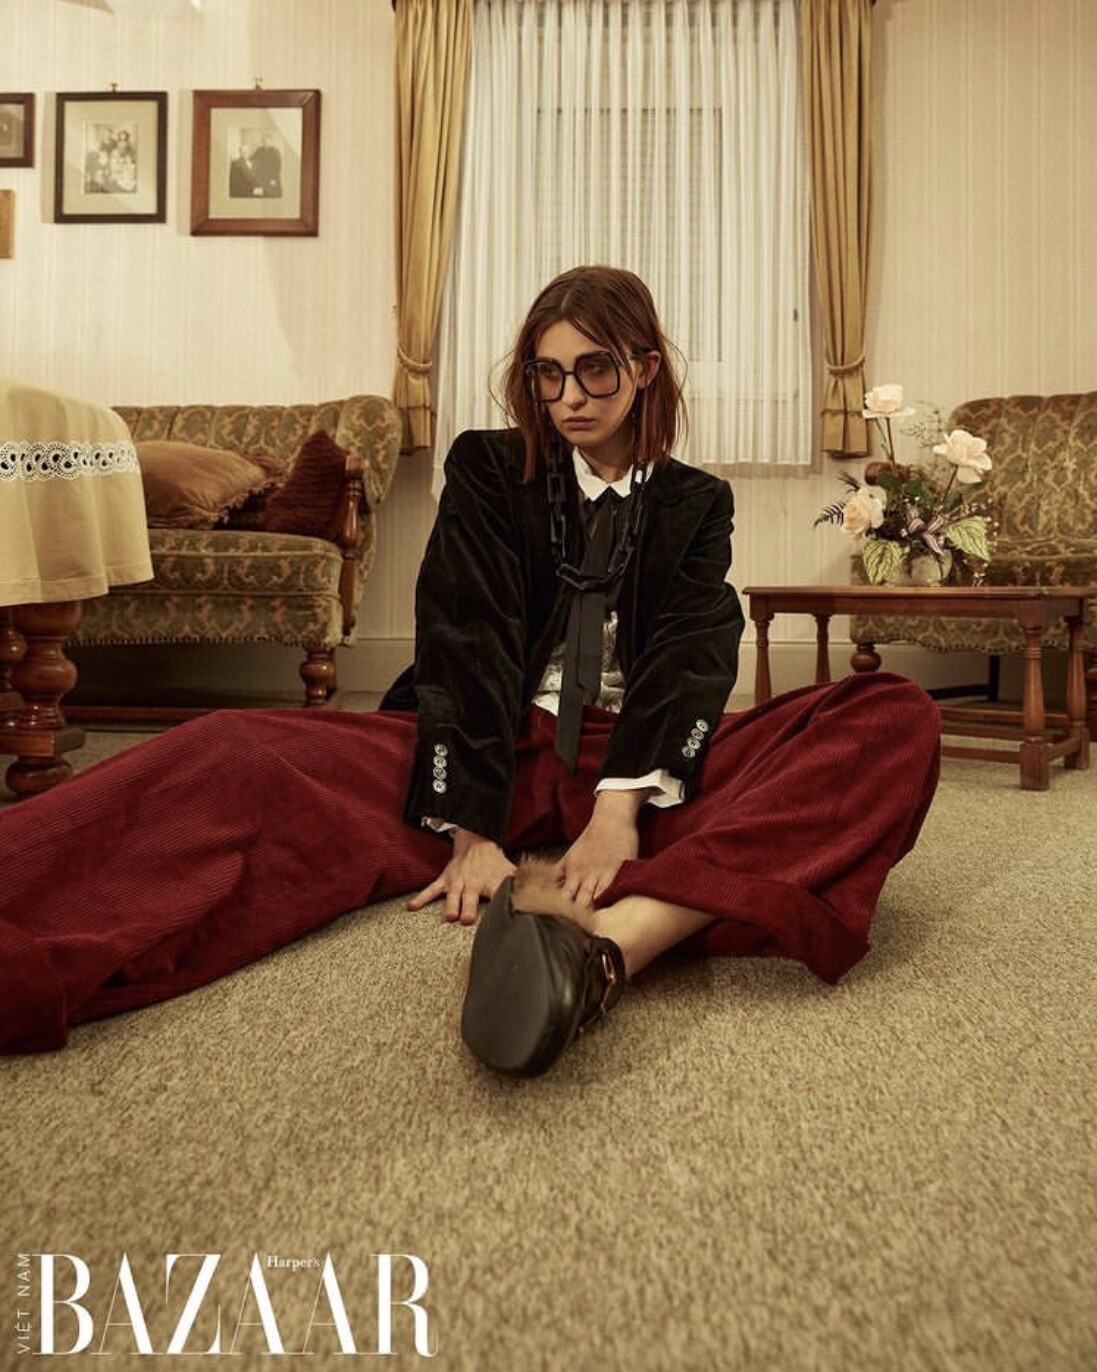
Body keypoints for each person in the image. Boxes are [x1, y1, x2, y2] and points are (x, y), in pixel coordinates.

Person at [0, 266, 940, 1066]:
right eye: (547, 375)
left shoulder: (696, 502)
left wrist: (617, 813)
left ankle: (607, 947)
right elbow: (467, 636)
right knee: (232, 750)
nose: (569, 398)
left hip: (635, 761)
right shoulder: (489, 468)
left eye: (594, 370)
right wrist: (472, 832)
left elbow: (692, 651)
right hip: (487, 749)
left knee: (887, 716)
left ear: (645, 368)